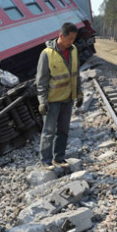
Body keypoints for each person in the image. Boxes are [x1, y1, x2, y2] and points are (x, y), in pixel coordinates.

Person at [35, 22, 83, 168]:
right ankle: (46, 161)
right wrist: (42, 101)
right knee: (49, 131)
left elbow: (76, 74)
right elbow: (41, 81)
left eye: (74, 38)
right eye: (70, 38)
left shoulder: (74, 50)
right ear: (61, 36)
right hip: (52, 100)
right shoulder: (47, 54)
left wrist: (79, 93)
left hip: (68, 99)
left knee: (63, 130)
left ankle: (59, 157)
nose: (72, 41)